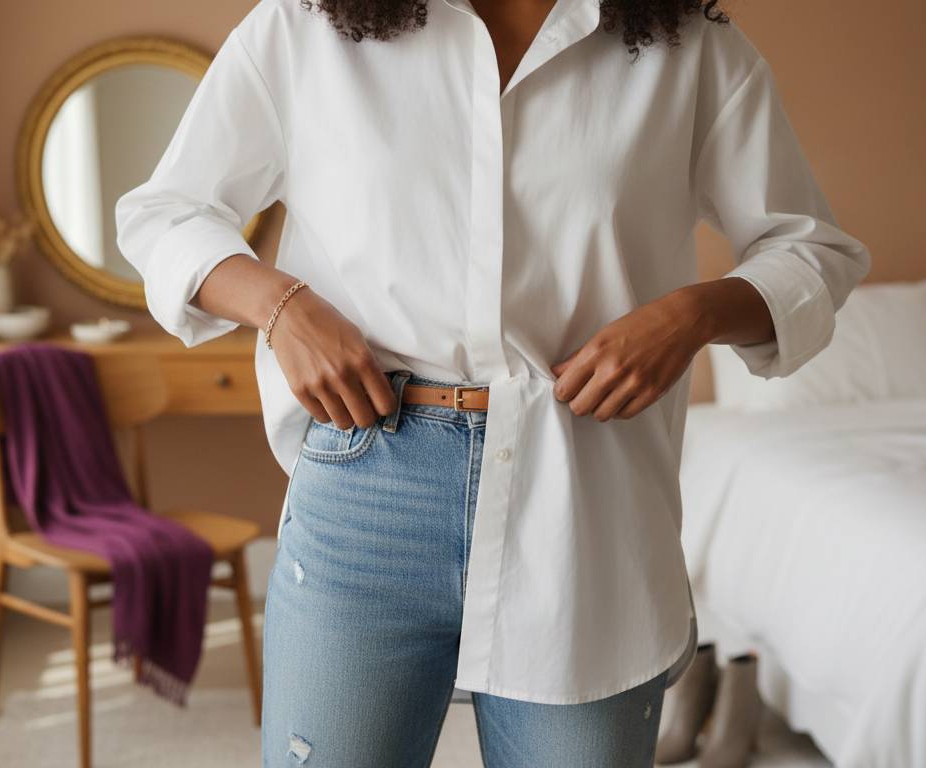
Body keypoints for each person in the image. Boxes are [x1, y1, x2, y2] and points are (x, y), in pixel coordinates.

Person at [116, 0, 869, 762]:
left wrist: (691, 315)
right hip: (366, 482)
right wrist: (281, 306)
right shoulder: (302, 28)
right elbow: (165, 214)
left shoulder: (691, 50)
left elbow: (812, 253)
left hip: (583, 495)